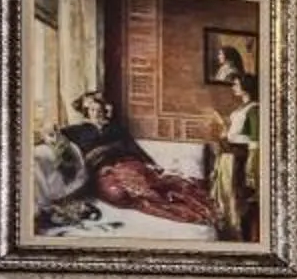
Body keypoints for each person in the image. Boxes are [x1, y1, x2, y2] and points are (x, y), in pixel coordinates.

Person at [52, 90, 214, 226]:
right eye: (92, 109)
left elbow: (132, 147)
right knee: (117, 195)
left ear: (104, 109)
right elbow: (54, 133)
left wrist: (150, 164)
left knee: (144, 186)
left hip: (126, 163)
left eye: (99, 108)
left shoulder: (114, 128)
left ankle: (175, 201)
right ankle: (158, 198)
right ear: (86, 111)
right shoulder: (79, 130)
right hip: (103, 171)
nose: (97, 112)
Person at [206, 52, 261, 243]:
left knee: (235, 200)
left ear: (246, 87)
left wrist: (251, 169)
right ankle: (227, 232)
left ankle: (238, 236)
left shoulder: (255, 109)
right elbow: (234, 131)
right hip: (228, 157)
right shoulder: (241, 109)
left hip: (239, 159)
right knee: (225, 198)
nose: (233, 88)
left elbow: (255, 142)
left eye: (236, 84)